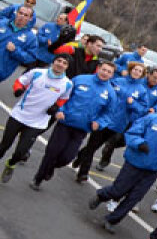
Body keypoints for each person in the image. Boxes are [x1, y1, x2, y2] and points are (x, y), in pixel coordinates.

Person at [88, 98, 157, 230]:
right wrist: (139, 143)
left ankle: (111, 220)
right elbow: (132, 132)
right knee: (118, 190)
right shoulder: (153, 118)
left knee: (134, 198)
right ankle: (101, 195)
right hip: (135, 163)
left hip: (153, 170)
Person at [29, 60, 120, 190]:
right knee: (52, 152)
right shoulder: (80, 79)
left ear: (112, 75)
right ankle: (38, 179)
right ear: (98, 68)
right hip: (65, 123)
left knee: (67, 157)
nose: (105, 73)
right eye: (104, 69)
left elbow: (108, 114)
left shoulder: (111, 93)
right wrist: (60, 110)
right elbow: (63, 96)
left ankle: (51, 167)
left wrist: (99, 123)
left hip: (81, 129)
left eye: (109, 72)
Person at [1, 53, 73, 182]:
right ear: (53, 61)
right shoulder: (37, 73)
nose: (61, 64)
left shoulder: (67, 84)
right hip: (19, 115)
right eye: (59, 61)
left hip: (38, 123)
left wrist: (56, 106)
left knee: (21, 152)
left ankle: (11, 164)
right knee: (4, 146)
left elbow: (64, 98)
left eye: (64, 63)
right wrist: (18, 89)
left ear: (67, 67)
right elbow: (20, 81)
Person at [72, 61, 146, 182]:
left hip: (118, 124)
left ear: (142, 74)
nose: (136, 72)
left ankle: (81, 156)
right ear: (130, 70)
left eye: (139, 71)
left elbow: (142, 109)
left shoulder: (142, 90)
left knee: (95, 146)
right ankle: (83, 173)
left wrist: (133, 103)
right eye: (135, 69)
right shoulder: (117, 81)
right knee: (92, 145)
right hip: (103, 119)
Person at [0, 4, 40, 81]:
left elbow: (30, 58)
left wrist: (15, 51)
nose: (22, 16)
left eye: (26, 15)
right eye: (20, 13)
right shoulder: (2, 23)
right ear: (16, 13)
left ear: (30, 18)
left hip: (2, 71)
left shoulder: (31, 38)